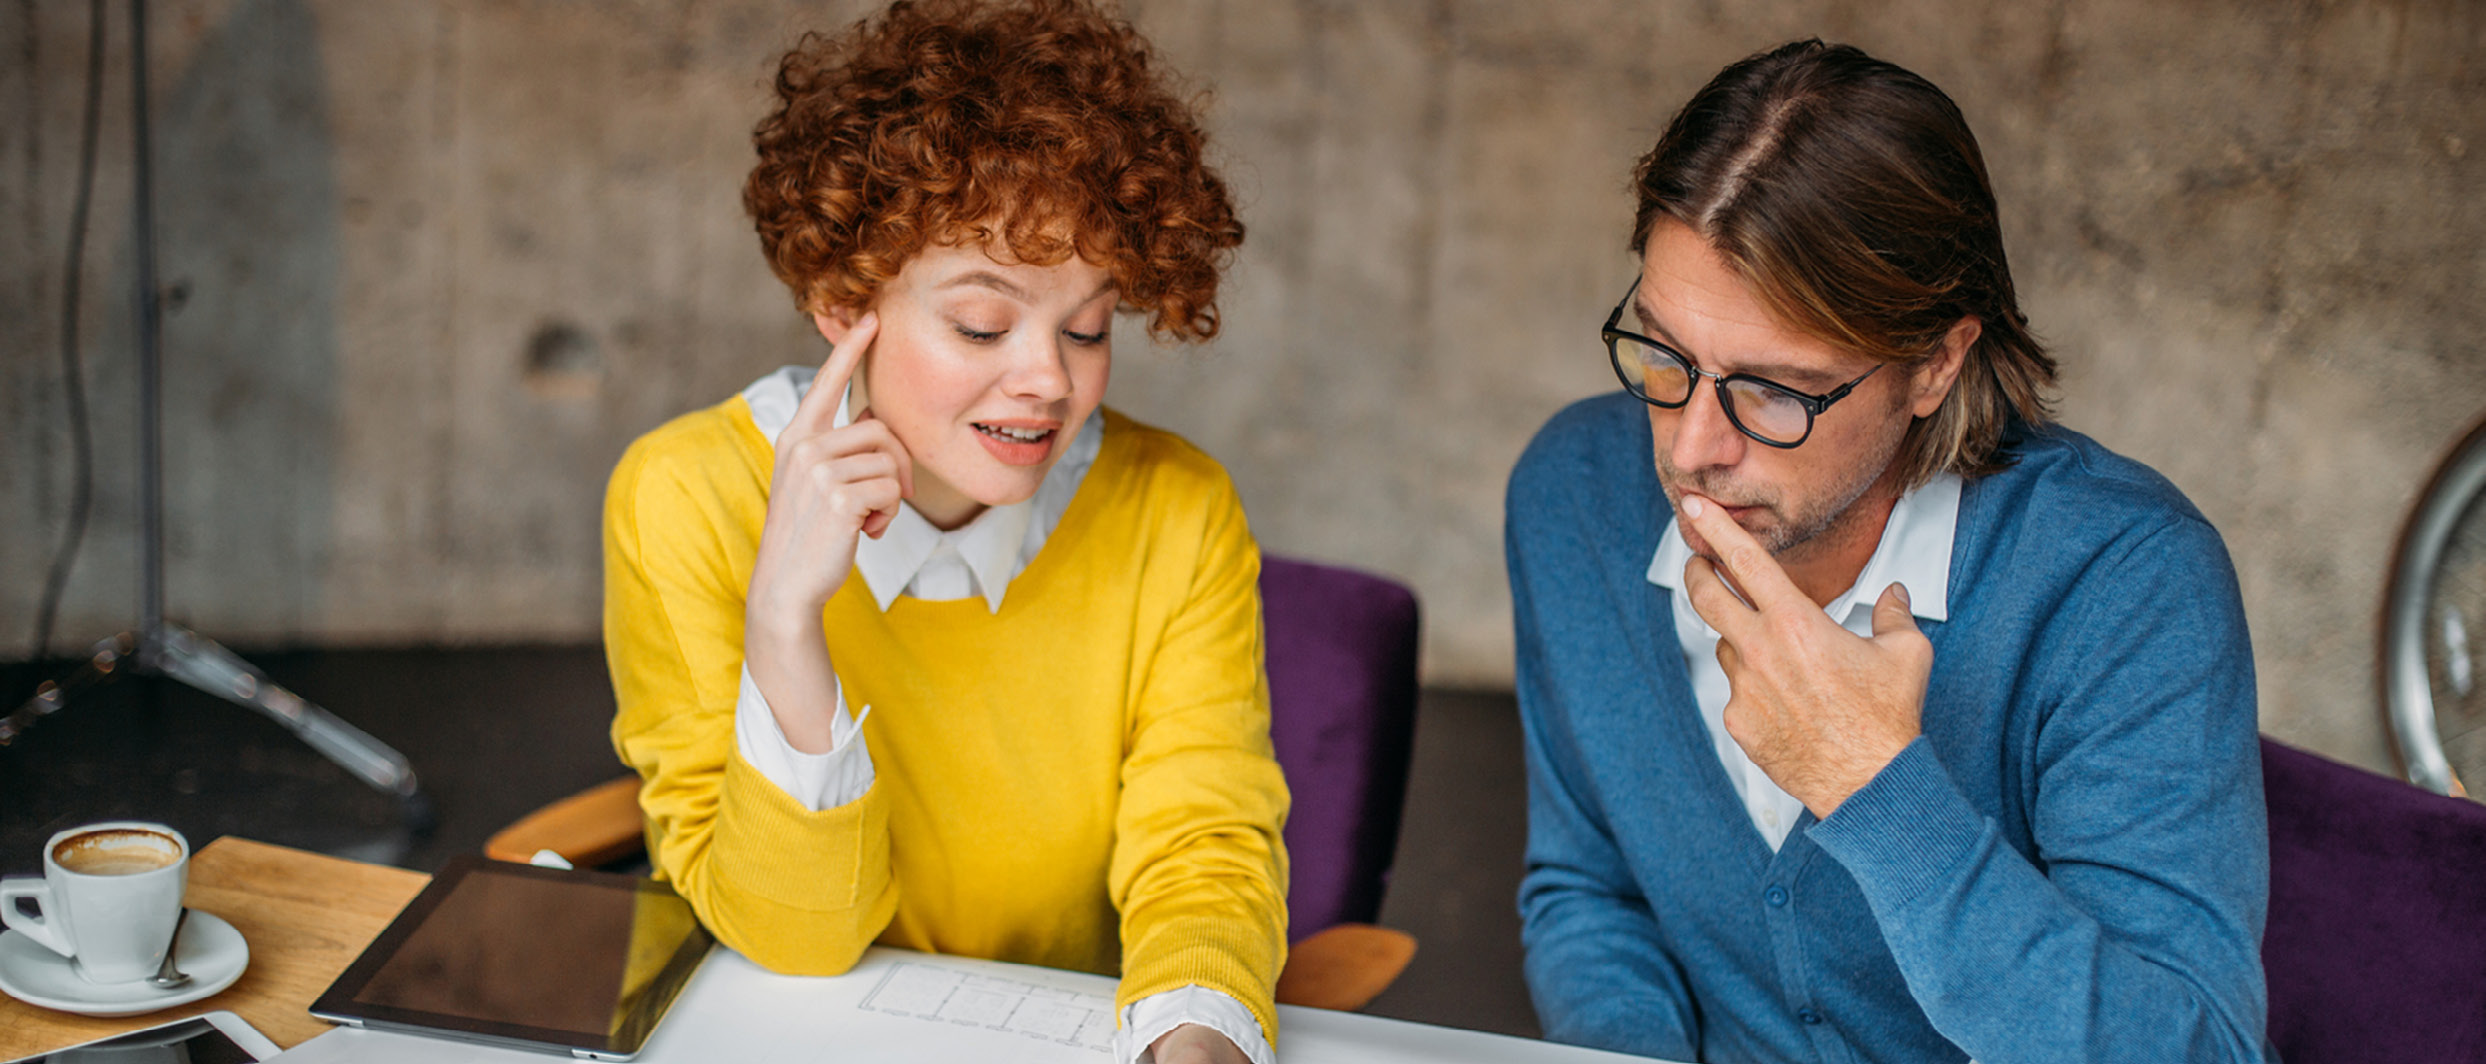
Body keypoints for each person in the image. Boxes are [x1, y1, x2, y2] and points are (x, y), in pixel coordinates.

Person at [1505, 39, 2271, 1063]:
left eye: (1773, 388)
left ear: (1932, 366)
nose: (1688, 449)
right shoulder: (1574, 498)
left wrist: (1871, 781)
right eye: (1663, 354)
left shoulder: (2122, 582)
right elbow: (1588, 890)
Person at [600, 4, 1284, 1063]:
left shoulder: (1175, 508)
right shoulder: (683, 494)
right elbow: (796, 937)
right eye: (981, 323)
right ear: (840, 299)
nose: (1048, 380)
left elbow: (1203, 847)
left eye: (1087, 326)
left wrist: (1196, 1035)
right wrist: (784, 623)